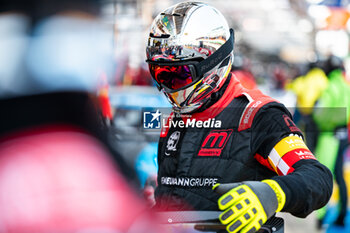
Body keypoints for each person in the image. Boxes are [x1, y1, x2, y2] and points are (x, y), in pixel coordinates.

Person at [145, 2, 333, 233]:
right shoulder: (177, 119)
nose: (168, 86)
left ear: (212, 65)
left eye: (179, 75)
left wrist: (273, 193)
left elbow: (317, 178)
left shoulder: (258, 116)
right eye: (159, 74)